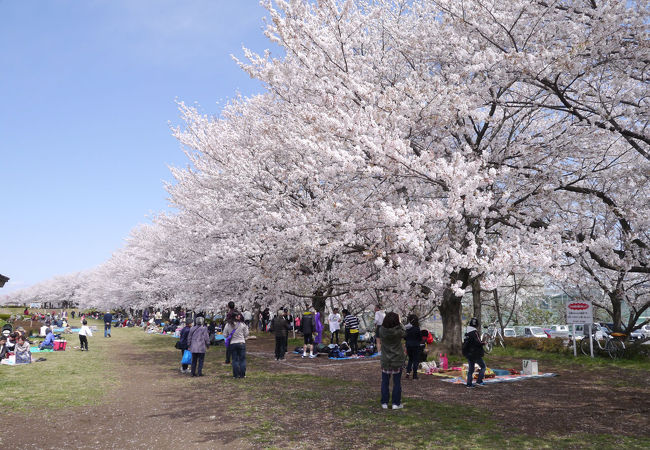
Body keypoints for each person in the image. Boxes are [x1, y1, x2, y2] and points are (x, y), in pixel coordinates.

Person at [378, 312, 406, 409]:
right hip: (397, 359)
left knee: (385, 382)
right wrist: (400, 323)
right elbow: (405, 332)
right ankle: (395, 403)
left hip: (385, 359)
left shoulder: (381, 330)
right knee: (397, 382)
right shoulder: (398, 331)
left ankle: (384, 403)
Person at [223, 312, 249, 378]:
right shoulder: (242, 324)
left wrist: (230, 336)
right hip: (241, 342)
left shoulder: (228, 325)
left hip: (233, 343)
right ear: (237, 317)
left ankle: (236, 375)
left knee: (235, 360)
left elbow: (225, 335)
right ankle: (242, 375)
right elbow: (246, 334)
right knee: (242, 359)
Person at [463, 317, 486, 388]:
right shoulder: (475, 332)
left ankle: (469, 384)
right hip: (475, 353)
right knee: (483, 366)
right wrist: (484, 343)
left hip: (468, 353)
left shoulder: (467, 332)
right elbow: (478, 342)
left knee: (471, 369)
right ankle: (479, 381)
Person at [404, 314, 421, 380]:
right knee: (415, 360)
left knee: (410, 359)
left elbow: (405, 337)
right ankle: (414, 375)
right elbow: (419, 338)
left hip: (408, 345)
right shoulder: (417, 328)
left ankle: (408, 373)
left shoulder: (407, 328)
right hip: (415, 345)